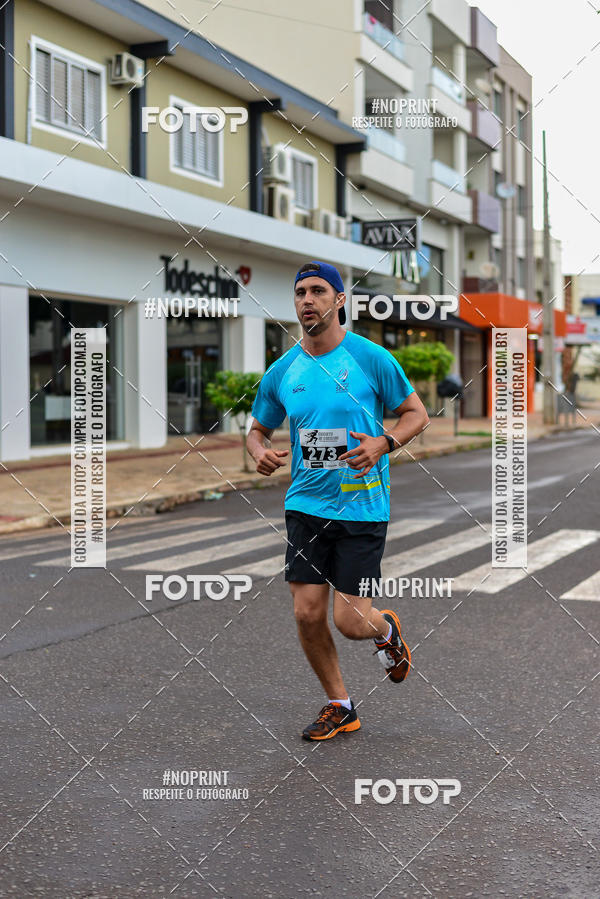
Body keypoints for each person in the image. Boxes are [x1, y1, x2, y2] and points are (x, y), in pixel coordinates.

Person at [247, 261, 429, 741]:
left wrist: (383, 443)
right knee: (307, 613)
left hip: (362, 507)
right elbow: (257, 429)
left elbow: (416, 413)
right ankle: (340, 705)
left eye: (318, 291)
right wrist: (259, 452)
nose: (307, 300)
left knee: (350, 622)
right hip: (305, 506)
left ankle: (385, 630)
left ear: (339, 300)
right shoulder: (283, 370)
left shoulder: (371, 358)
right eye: (300, 292)